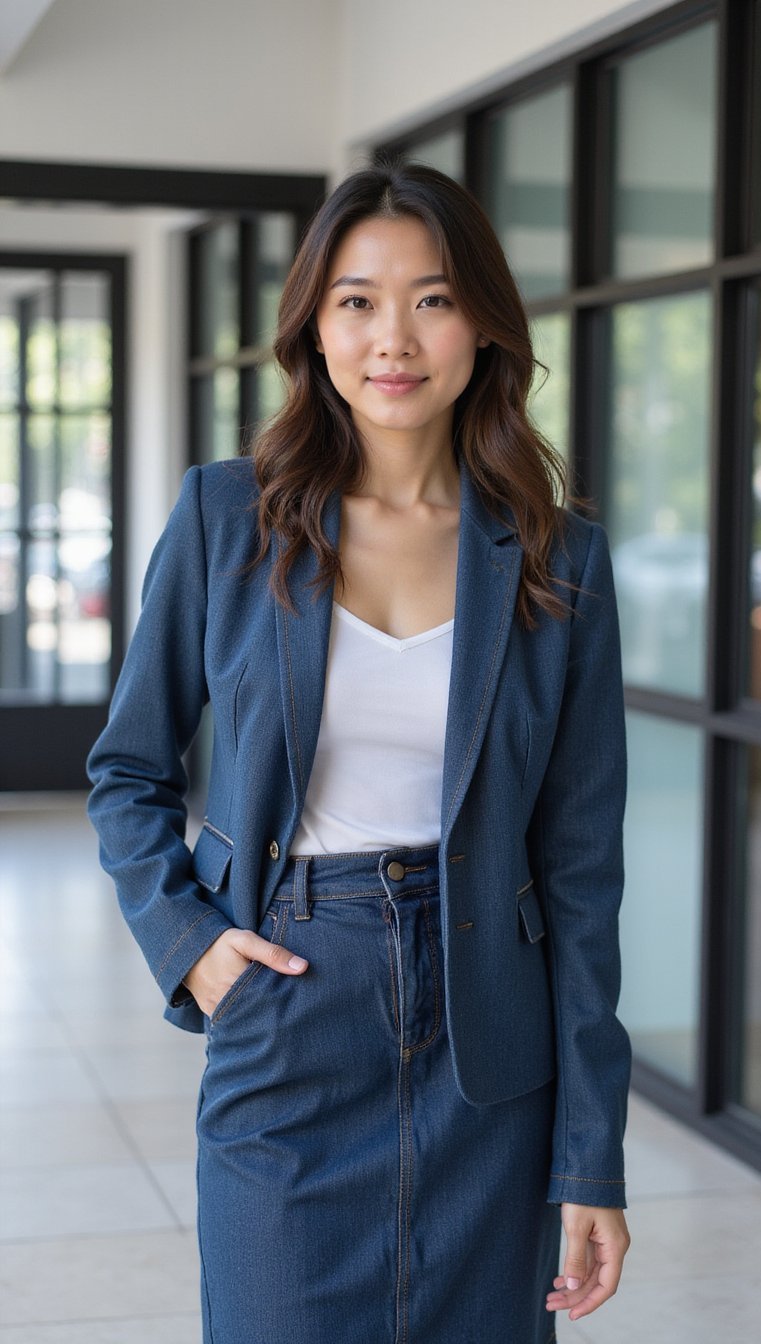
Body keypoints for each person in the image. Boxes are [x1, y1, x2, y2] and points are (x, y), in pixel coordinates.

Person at [87, 159, 632, 1344]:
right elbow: (128, 770)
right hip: (292, 994)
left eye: (432, 299)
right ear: (314, 327)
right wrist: (193, 947)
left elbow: (583, 875)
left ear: (482, 322)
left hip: (493, 1024)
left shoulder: (556, 556)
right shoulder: (228, 515)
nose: (395, 337)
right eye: (357, 300)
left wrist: (595, 1154)